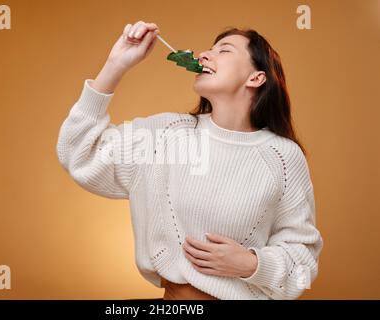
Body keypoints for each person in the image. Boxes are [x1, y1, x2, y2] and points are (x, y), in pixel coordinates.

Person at [56, 20, 324, 300]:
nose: (203, 55)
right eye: (209, 49)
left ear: (256, 78)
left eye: (224, 50)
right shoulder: (165, 135)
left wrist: (251, 265)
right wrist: (115, 65)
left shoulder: (283, 156)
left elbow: (303, 260)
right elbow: (78, 151)